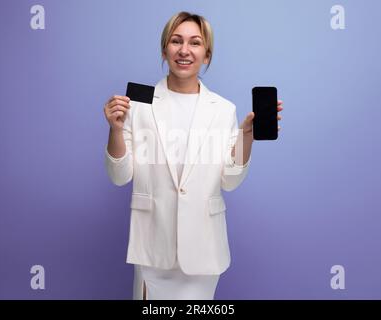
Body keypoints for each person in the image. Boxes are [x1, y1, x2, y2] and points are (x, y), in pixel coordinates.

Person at [103, 11, 283, 300]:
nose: (184, 50)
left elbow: (229, 180)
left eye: (195, 43)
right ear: (165, 50)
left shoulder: (223, 109)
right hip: (153, 248)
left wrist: (246, 135)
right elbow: (119, 175)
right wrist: (115, 129)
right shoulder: (139, 103)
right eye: (176, 41)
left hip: (203, 250)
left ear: (207, 55)